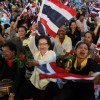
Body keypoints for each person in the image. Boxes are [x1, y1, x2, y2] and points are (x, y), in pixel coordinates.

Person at [18, 35, 58, 100]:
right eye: (40, 44)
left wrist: (34, 63)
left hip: (48, 83)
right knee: (21, 91)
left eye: (44, 44)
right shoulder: (36, 53)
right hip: (35, 82)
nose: (41, 46)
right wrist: (33, 33)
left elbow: (45, 61)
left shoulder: (52, 54)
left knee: (48, 93)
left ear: (48, 45)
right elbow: (31, 44)